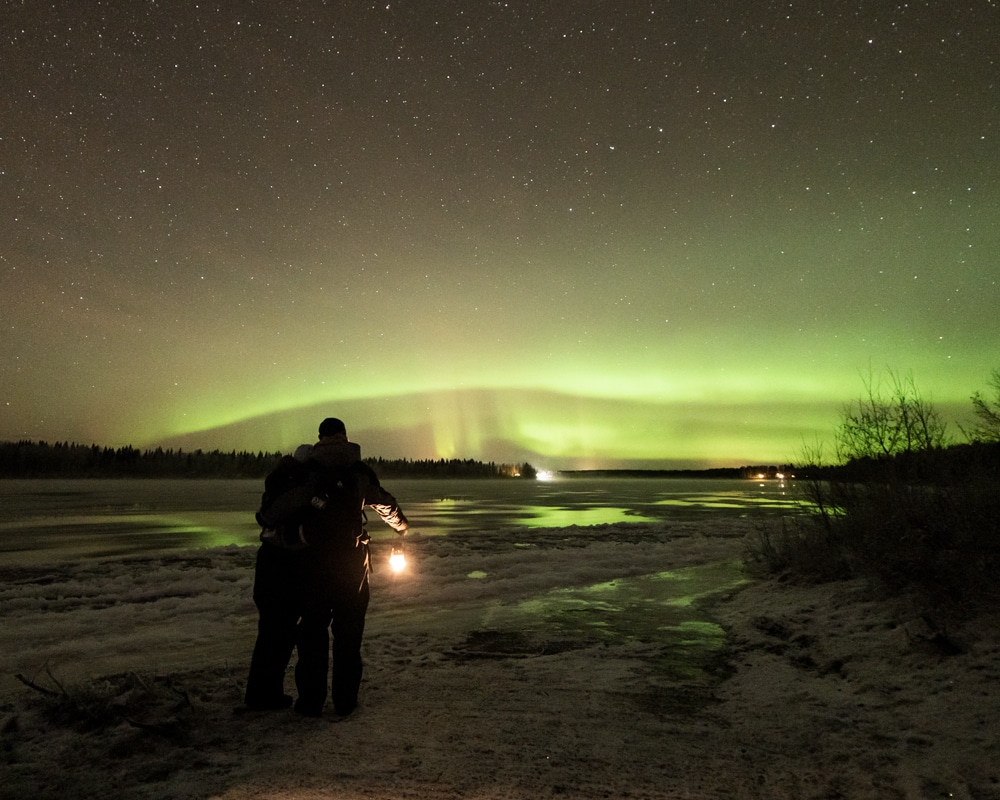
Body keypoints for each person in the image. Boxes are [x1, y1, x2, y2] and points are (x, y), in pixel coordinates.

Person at [245, 418, 409, 717]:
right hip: (353, 566)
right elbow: (385, 504)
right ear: (345, 437)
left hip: (313, 567)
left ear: (319, 437)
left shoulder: (307, 470)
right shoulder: (358, 471)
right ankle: (345, 702)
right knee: (349, 637)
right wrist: (402, 527)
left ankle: (310, 702)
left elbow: (276, 512)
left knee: (313, 636)